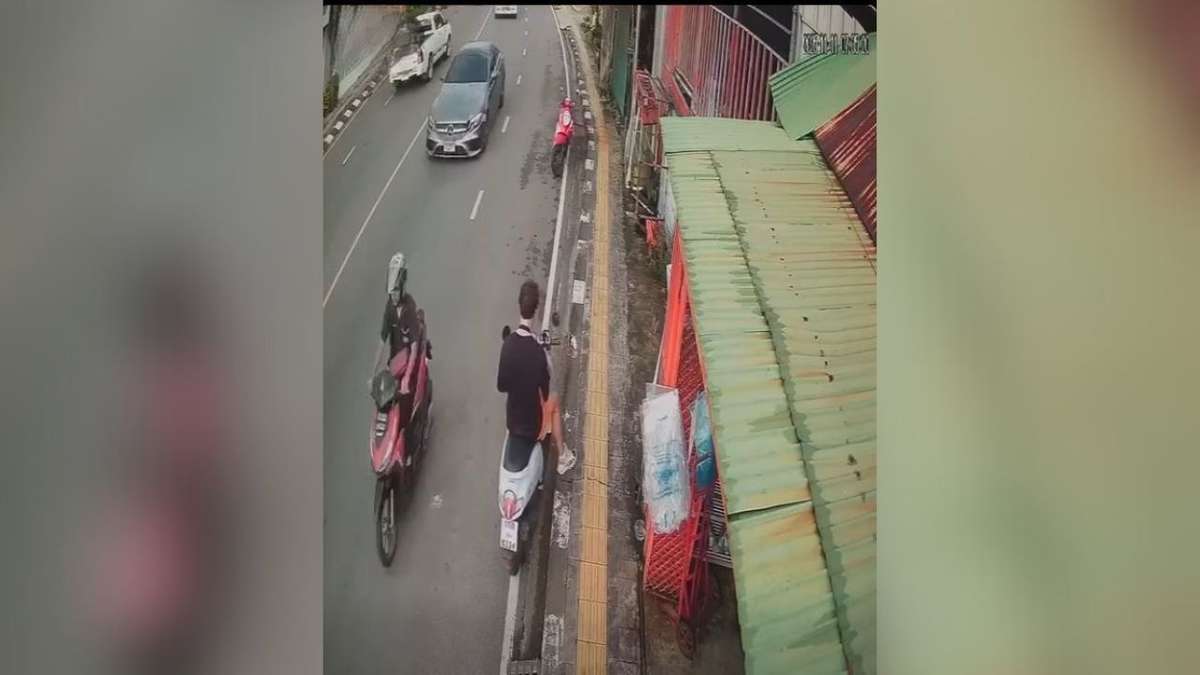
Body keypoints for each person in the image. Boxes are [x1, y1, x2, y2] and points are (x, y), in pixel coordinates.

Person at [497, 280, 561, 449]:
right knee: (554, 403)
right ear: (537, 308)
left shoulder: (508, 345)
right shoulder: (538, 352)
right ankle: (563, 456)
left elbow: (501, 386)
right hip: (533, 425)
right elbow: (546, 393)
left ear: (519, 304)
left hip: (512, 421)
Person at [376, 253, 429, 396]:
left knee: (412, 397)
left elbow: (413, 347)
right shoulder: (389, 308)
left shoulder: (409, 307)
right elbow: (382, 341)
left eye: (396, 291)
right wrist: (374, 373)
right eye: (391, 292)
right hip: (395, 363)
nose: (393, 296)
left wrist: (406, 377)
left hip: (409, 364)